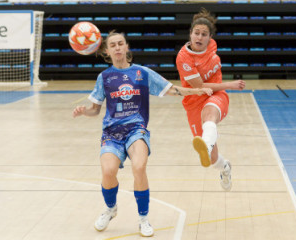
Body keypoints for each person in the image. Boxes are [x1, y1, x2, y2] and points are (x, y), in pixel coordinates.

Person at [72, 30, 212, 237]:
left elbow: (171, 89)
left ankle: (143, 219)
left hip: (136, 129)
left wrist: (196, 91)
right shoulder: (104, 77)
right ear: (107, 51)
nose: (118, 47)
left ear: (127, 47)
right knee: (108, 171)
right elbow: (95, 109)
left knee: (139, 166)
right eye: (113, 45)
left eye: (121, 43)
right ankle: (111, 209)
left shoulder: (142, 73)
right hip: (112, 132)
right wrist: (85, 112)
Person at [176, 8, 246, 191]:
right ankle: (225, 167)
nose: (199, 37)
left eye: (204, 34)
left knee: (209, 116)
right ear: (190, 34)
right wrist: (230, 85)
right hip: (194, 101)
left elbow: (209, 90)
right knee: (212, 160)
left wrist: (224, 88)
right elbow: (200, 87)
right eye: (196, 33)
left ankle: (205, 145)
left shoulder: (212, 47)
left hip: (216, 95)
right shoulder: (184, 58)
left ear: (210, 37)